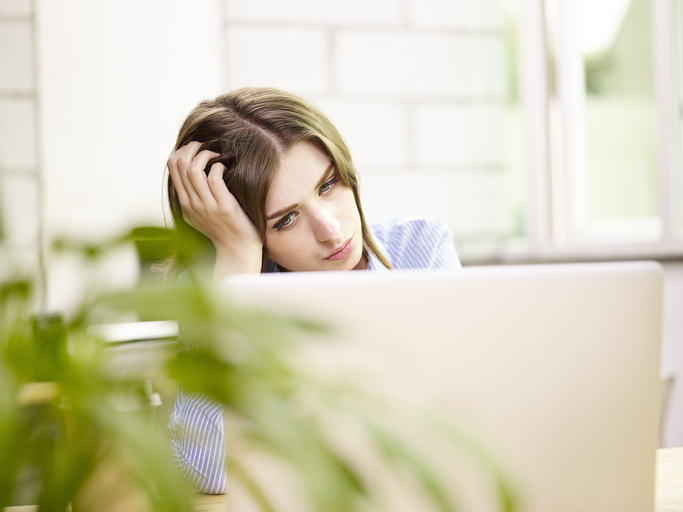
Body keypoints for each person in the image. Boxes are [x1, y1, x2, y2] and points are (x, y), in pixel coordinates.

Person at [165, 87, 462, 493]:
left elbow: (467, 433)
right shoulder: (221, 286)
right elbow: (208, 471)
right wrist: (236, 263)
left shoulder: (420, 250)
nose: (330, 229)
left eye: (328, 185)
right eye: (285, 219)